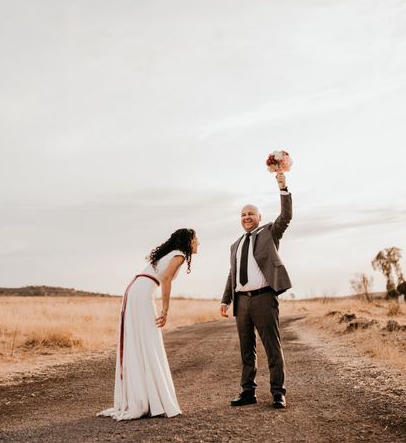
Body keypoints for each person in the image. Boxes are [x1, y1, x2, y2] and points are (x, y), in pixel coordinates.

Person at [98, 228, 199, 421]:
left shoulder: (169, 253)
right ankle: (148, 398)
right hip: (143, 292)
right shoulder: (179, 255)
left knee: (140, 341)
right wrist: (165, 309)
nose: (198, 244)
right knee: (148, 340)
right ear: (188, 242)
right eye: (196, 240)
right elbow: (167, 278)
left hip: (135, 289)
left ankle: (143, 396)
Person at [220, 171, 292, 409]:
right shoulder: (235, 245)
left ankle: (278, 393)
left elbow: (286, 216)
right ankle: (248, 392)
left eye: (251, 213)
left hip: (263, 299)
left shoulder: (269, 233)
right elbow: (233, 273)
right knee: (246, 350)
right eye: (243, 214)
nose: (247, 217)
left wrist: (283, 187)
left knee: (272, 347)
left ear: (260, 217)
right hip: (241, 302)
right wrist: (226, 299)